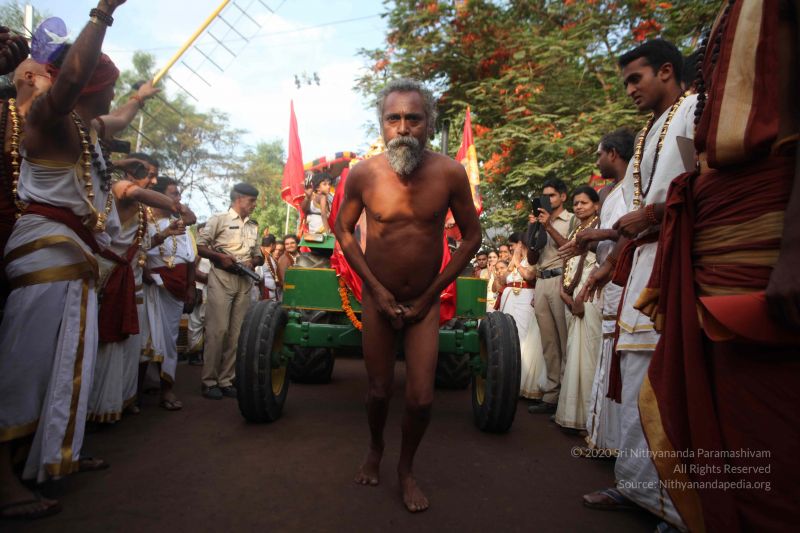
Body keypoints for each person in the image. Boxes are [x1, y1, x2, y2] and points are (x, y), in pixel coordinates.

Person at [634, 3, 800, 530]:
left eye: (636, 79)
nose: (630, 90)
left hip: (766, 254)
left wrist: (795, 249)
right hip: (714, 258)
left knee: (772, 451)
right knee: (726, 428)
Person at [0, 0, 128, 519]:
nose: (115, 95)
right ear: (92, 86)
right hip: (45, 256)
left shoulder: (86, 129)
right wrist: (103, 13)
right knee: (24, 369)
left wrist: (140, 98)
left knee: (56, 369)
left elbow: (119, 114)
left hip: (69, 260)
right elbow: (70, 80)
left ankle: (48, 456)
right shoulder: (48, 118)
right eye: (112, 86)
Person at [334, 78, 481, 512]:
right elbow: (343, 229)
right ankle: (376, 446)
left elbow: (472, 237)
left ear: (429, 124)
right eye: (393, 118)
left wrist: (430, 294)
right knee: (379, 392)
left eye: (413, 119)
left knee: (421, 398)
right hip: (376, 300)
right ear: (381, 124)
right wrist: (376, 289)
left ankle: (405, 468)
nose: (402, 128)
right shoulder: (363, 174)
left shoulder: (450, 173)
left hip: (425, 301)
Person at [581, 39, 697, 529]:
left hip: (676, 262)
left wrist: (650, 215)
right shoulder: (651, 129)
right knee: (634, 379)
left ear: (666, 71)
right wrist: (616, 248)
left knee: (666, 384)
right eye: (626, 81)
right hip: (642, 265)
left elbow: (704, 183)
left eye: (636, 79)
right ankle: (636, 487)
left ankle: (679, 508)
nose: (630, 89)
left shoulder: (693, 112)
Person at [87, 158, 181, 423]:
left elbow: (142, 245)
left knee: (130, 344)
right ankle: (97, 407)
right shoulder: (120, 188)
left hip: (131, 279)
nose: (154, 181)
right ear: (131, 173)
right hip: (109, 277)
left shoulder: (141, 209)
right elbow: (135, 193)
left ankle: (119, 400)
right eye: (149, 175)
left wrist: (166, 233)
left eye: (155, 176)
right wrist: (176, 205)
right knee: (108, 340)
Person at [572, 128, 633, 455]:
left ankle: (617, 443)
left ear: (613, 153)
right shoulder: (611, 191)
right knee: (607, 356)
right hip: (609, 280)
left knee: (619, 357)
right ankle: (605, 439)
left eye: (599, 154)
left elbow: (631, 231)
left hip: (623, 279)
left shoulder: (633, 185)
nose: (596, 161)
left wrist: (602, 254)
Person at [197, 183, 262, 400]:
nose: (254, 205)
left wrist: (253, 261)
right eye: (251, 200)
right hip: (221, 278)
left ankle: (226, 380)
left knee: (237, 334)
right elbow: (200, 246)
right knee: (218, 331)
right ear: (239, 199)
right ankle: (209, 381)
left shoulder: (253, 225)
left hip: (245, 280)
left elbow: (258, 254)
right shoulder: (219, 219)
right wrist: (220, 257)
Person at [141, 177, 196, 410]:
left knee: (169, 340)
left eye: (179, 194)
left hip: (176, 290)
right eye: (174, 194)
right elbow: (137, 252)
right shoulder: (143, 221)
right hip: (150, 287)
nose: (179, 198)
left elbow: (190, 260)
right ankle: (136, 390)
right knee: (145, 338)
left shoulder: (180, 226)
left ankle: (167, 389)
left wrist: (191, 286)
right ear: (158, 196)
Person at [554, 186, 601, 430]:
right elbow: (569, 261)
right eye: (576, 203)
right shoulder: (577, 230)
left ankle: (589, 419)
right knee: (573, 352)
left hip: (590, 294)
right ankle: (573, 415)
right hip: (573, 294)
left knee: (588, 353)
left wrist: (581, 296)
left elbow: (600, 262)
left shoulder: (599, 227)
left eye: (584, 202)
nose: (579, 207)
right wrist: (565, 292)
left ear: (596, 205)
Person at [528, 178, 575, 415]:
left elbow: (571, 248)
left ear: (563, 197)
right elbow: (531, 259)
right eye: (544, 196)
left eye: (552, 195)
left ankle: (567, 399)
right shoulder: (539, 220)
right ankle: (551, 395)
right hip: (541, 280)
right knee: (548, 342)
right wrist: (534, 230)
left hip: (560, 280)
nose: (547, 199)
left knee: (564, 339)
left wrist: (548, 227)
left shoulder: (572, 219)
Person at [256, 234, 281, 301]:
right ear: (272, 245)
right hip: (264, 292)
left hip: (272, 292)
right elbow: (258, 276)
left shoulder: (269, 256)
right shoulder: (261, 256)